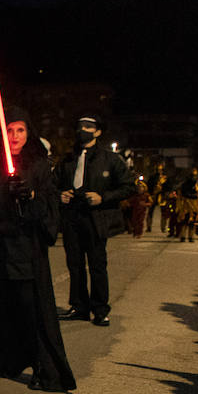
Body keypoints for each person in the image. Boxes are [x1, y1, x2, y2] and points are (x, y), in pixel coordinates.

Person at [0, 108, 76, 392]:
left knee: (30, 307)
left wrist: (31, 195)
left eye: (20, 130)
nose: (14, 136)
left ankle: (40, 365)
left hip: (25, 248)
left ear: (29, 132)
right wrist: (3, 193)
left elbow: (50, 205)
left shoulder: (38, 164)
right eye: (9, 130)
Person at [55, 116, 134, 326]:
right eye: (80, 127)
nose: (83, 130)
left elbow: (128, 186)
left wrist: (103, 197)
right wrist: (60, 195)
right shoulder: (67, 159)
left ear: (98, 132)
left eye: (89, 127)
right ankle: (79, 306)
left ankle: (100, 309)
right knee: (75, 264)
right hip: (72, 218)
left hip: (96, 218)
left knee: (98, 265)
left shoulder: (110, 159)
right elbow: (53, 185)